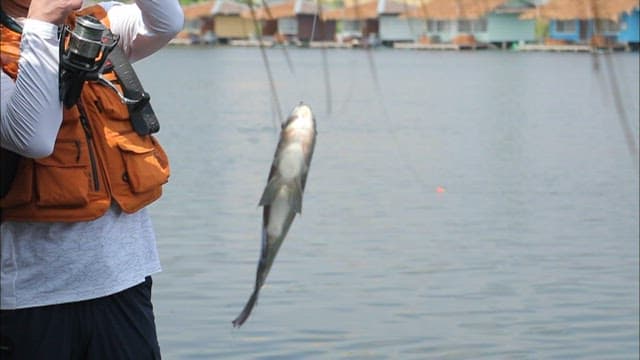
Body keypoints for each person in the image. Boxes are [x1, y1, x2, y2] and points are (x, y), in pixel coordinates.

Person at [0, 0, 183, 358]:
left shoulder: (97, 26)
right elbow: (33, 138)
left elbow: (166, 21)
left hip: (124, 284)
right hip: (30, 298)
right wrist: (43, 20)